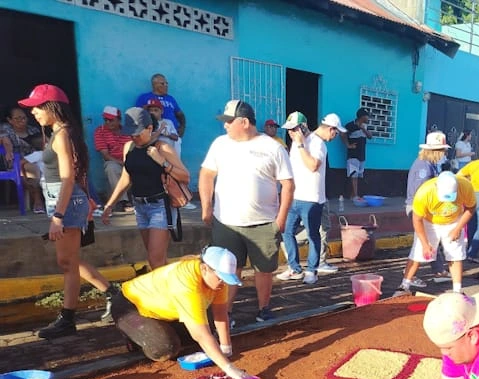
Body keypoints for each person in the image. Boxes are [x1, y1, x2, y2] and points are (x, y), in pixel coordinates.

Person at [18, 84, 116, 338]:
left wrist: (58, 216)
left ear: (52, 107)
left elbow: (68, 177)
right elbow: (78, 170)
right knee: (69, 260)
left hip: (66, 201)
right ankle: (112, 293)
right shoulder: (59, 133)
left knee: (67, 262)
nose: (33, 113)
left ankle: (68, 319)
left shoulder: (62, 135)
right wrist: (88, 199)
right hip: (64, 199)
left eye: (37, 107)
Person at [199, 99, 294, 325]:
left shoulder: (273, 147)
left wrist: (281, 218)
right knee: (228, 268)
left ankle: (264, 308)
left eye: (229, 121)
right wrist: (206, 207)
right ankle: (226, 313)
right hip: (226, 222)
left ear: (244, 122)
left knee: (264, 269)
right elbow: (206, 175)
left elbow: (288, 185)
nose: (225, 125)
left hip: (263, 223)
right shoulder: (220, 144)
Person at [111, 246, 258, 379]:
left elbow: (220, 313)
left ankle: (166, 330)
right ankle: (132, 335)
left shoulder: (217, 281)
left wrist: (226, 347)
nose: (223, 283)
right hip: (130, 307)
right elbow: (201, 335)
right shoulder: (186, 283)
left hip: (167, 311)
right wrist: (229, 368)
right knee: (165, 348)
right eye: (220, 277)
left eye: (226, 279)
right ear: (205, 268)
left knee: (205, 331)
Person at [102, 108, 189, 270]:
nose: (134, 137)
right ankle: (172, 284)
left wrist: (162, 162)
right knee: (157, 259)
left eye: (137, 134)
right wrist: (109, 205)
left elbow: (185, 176)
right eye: (131, 134)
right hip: (140, 207)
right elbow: (126, 178)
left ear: (149, 128)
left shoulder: (162, 148)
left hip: (160, 206)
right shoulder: (129, 147)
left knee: (155, 260)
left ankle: (164, 287)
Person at [276, 111, 341, 285]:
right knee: (287, 232)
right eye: (289, 130)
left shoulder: (318, 144)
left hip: (311, 198)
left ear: (302, 128)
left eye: (293, 129)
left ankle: (311, 270)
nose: (290, 133)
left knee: (313, 235)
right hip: (294, 196)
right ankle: (294, 268)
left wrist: (300, 145)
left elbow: (313, 166)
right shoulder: (297, 143)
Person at [397, 131, 451, 293]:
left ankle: (438, 270)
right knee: (422, 243)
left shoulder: (429, 164)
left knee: (430, 240)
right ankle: (409, 277)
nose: (444, 154)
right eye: (443, 151)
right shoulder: (423, 166)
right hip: (419, 208)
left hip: (423, 208)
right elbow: (420, 192)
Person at [407, 171, 475, 294]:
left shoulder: (465, 186)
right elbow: (417, 220)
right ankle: (404, 285)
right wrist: (425, 244)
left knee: (455, 255)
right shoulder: (424, 192)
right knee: (417, 254)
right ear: (437, 187)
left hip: (454, 220)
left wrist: (458, 228)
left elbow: (471, 208)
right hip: (429, 222)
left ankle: (457, 291)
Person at [1, 105, 45, 213]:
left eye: (24, 118)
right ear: (9, 120)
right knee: (30, 168)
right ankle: (37, 200)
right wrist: (8, 150)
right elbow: (5, 141)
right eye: (17, 118)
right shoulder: (5, 129)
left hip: (35, 158)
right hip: (15, 161)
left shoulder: (33, 130)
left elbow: (44, 144)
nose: (22, 120)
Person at [92, 106, 133, 214]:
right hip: (114, 161)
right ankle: (123, 202)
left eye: (111, 120)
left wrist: (129, 163)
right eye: (105, 120)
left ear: (119, 120)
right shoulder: (100, 131)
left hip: (130, 160)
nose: (107, 122)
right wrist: (122, 163)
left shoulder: (128, 131)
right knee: (112, 168)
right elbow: (105, 155)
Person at [135, 73, 185, 156]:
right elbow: (137, 115)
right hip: (153, 134)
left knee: (173, 157)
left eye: (166, 83)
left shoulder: (170, 98)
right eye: (162, 83)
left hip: (171, 134)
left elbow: (179, 114)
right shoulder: (144, 97)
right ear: (154, 84)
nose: (166, 86)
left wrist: (182, 127)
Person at [342, 107, 372, 200]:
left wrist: (363, 129)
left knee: (358, 175)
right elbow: (342, 134)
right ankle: (355, 196)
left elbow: (370, 136)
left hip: (362, 154)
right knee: (354, 174)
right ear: (362, 117)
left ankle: (353, 195)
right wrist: (348, 145)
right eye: (367, 116)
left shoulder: (365, 126)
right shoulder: (350, 125)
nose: (368, 118)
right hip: (353, 154)